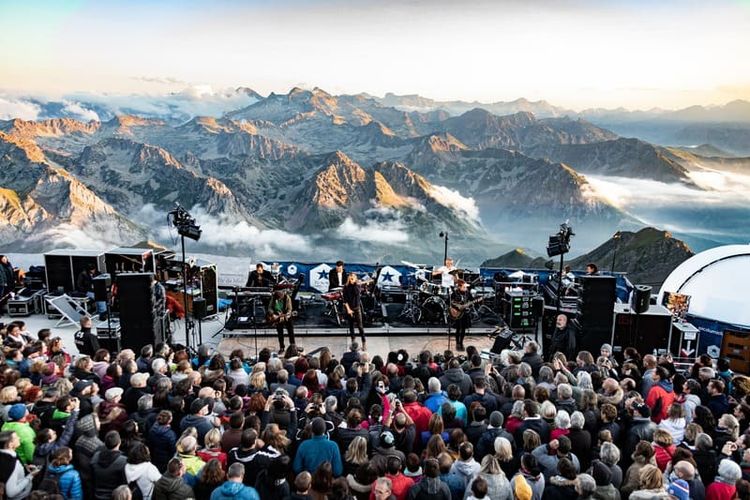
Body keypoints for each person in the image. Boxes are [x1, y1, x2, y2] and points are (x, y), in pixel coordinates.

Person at [0, 431, 38, 500]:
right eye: (16, 437)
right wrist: (31, 475)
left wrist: (24, 467)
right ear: (10, 445)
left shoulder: (4, 454)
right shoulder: (12, 464)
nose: (19, 438)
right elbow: (11, 493)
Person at [342, 273, 366, 349]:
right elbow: (344, 300)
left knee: (360, 326)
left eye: (353, 278)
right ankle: (353, 342)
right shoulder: (346, 287)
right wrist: (348, 309)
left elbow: (357, 293)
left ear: (355, 279)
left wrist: (355, 283)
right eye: (350, 278)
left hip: (357, 308)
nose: (351, 279)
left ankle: (364, 342)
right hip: (350, 308)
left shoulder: (357, 286)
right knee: (351, 326)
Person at [450, 280, 471, 351]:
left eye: (466, 287)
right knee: (458, 328)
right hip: (457, 313)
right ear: (459, 287)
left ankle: (461, 342)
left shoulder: (467, 293)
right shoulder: (454, 293)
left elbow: (471, 300)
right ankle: (457, 343)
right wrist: (457, 307)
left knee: (463, 329)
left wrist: (469, 305)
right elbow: (451, 303)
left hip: (465, 313)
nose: (466, 288)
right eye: (464, 287)